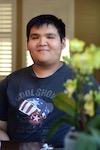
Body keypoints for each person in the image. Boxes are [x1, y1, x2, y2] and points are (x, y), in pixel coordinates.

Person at [0, 14, 99, 144]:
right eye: (35, 37)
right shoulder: (10, 82)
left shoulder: (82, 82)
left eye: (50, 37)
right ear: (27, 44)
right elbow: (1, 127)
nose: (42, 42)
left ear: (63, 43)